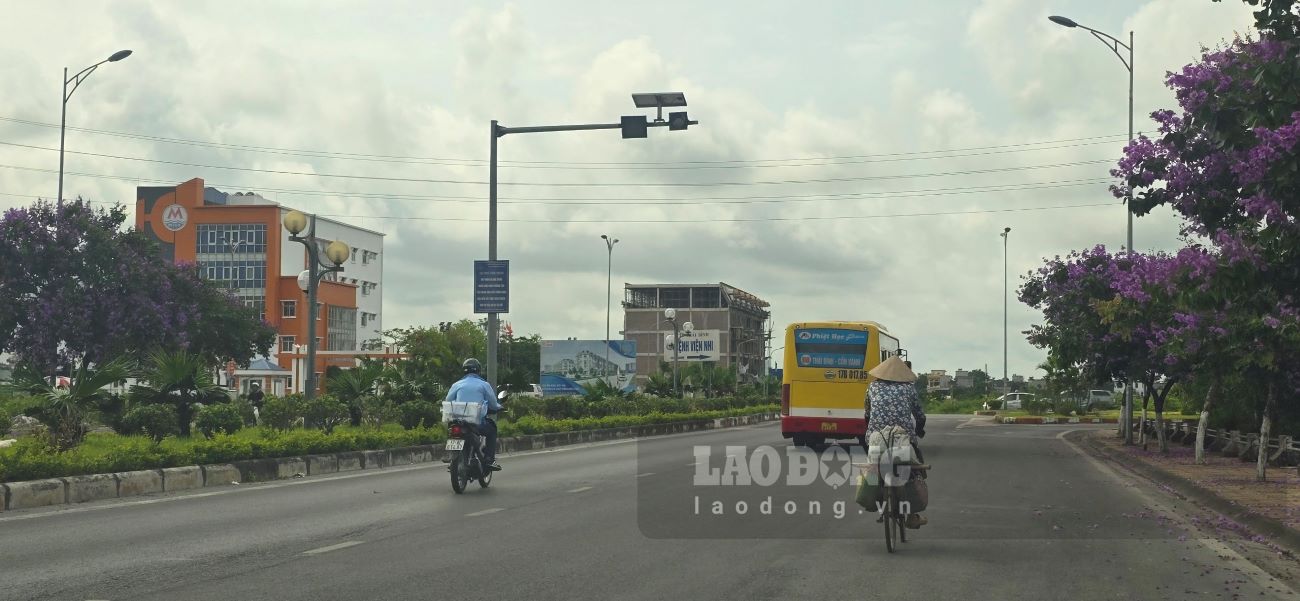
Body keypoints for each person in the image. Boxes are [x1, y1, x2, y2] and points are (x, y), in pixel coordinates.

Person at [864, 355, 927, 528]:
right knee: (914, 468)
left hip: (876, 436)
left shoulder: (872, 387)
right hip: (903, 437)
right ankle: (912, 515)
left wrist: (870, 431)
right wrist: (920, 429)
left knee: (872, 466)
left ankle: (874, 499)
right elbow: (919, 415)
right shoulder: (908, 388)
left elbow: (867, 414)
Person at [445, 358, 503, 471]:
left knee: (452, 430)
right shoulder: (484, 385)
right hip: (477, 423)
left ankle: (451, 457)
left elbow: (448, 400)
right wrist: (499, 407)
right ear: (478, 371)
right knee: (492, 429)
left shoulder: (456, 384)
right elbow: (493, 404)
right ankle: (489, 459)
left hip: (458, 421)